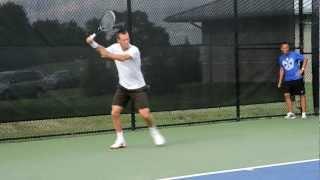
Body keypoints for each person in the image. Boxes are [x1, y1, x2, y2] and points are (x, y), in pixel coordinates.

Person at [86, 29, 166, 149]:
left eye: (128, 39)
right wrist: (92, 43)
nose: (126, 41)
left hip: (138, 87)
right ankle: (120, 140)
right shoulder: (114, 47)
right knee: (115, 112)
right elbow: (103, 51)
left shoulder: (134, 50)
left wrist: (107, 54)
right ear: (118, 40)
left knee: (144, 114)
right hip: (123, 87)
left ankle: (154, 132)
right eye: (124, 40)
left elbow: (122, 58)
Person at [277, 42, 308, 119]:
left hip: (297, 79)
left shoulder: (294, 54)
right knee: (286, 95)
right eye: (283, 48)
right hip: (287, 80)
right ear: (281, 49)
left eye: (287, 47)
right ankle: (291, 113)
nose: (285, 49)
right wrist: (280, 81)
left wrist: (302, 70)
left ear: (288, 48)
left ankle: (303, 113)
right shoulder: (280, 58)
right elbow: (282, 69)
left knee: (302, 95)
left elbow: (305, 59)